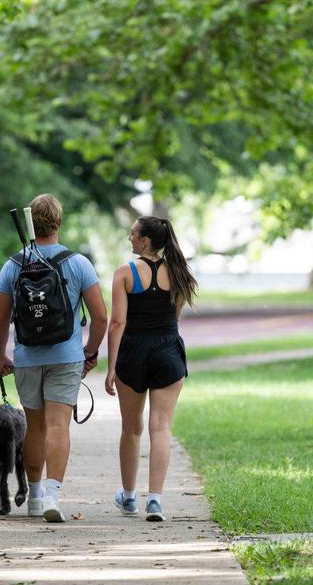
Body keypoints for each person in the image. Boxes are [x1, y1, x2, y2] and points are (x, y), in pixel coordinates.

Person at [0, 193, 108, 522]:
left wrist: (1, 355)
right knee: (59, 426)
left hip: (27, 357)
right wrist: (89, 353)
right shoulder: (78, 263)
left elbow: (0, 320)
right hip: (66, 357)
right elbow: (100, 317)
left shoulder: (13, 265)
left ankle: (34, 495)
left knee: (35, 428)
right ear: (59, 221)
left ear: (32, 222)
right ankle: (53, 496)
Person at [104, 216, 197, 522]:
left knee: (131, 428)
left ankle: (129, 497)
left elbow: (117, 323)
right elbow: (175, 317)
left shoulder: (124, 274)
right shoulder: (180, 272)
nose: (129, 238)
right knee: (161, 427)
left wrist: (111, 366)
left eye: (133, 234)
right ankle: (154, 501)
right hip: (168, 352)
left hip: (133, 352)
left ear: (144, 240)